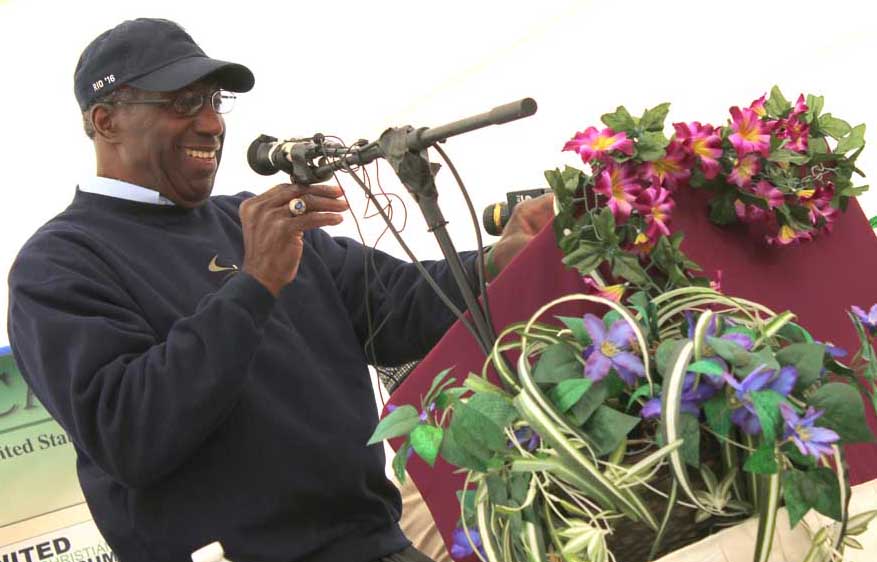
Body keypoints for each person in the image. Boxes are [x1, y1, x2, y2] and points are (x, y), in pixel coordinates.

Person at [6, 18, 554, 562]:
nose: (212, 123)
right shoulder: (59, 264)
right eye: (182, 103)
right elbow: (128, 432)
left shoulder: (250, 221)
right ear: (106, 121)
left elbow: (398, 303)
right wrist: (254, 284)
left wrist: (495, 262)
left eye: (215, 101)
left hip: (375, 543)